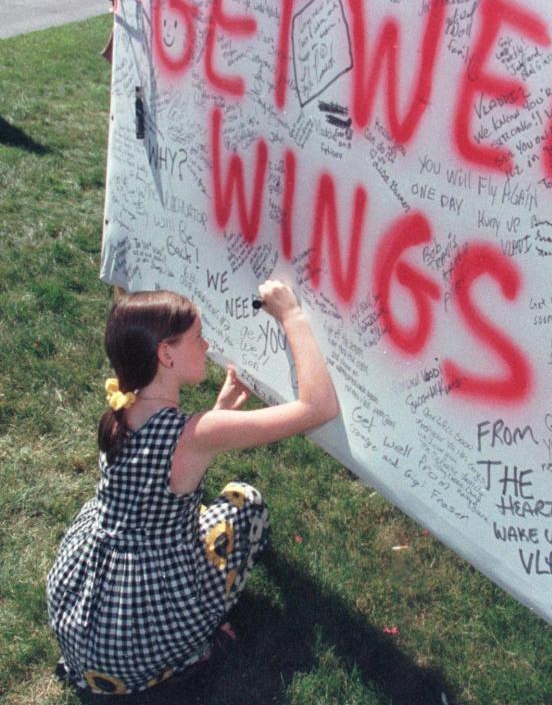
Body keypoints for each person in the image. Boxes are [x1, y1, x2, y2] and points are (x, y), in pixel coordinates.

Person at [46, 280, 340, 695]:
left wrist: (217, 414)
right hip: (141, 640)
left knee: (180, 515)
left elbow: (165, 470)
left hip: (88, 625)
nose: (206, 345)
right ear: (165, 354)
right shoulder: (195, 434)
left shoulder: (120, 411)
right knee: (246, 502)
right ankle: (191, 650)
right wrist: (291, 314)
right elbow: (319, 407)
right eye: (197, 338)